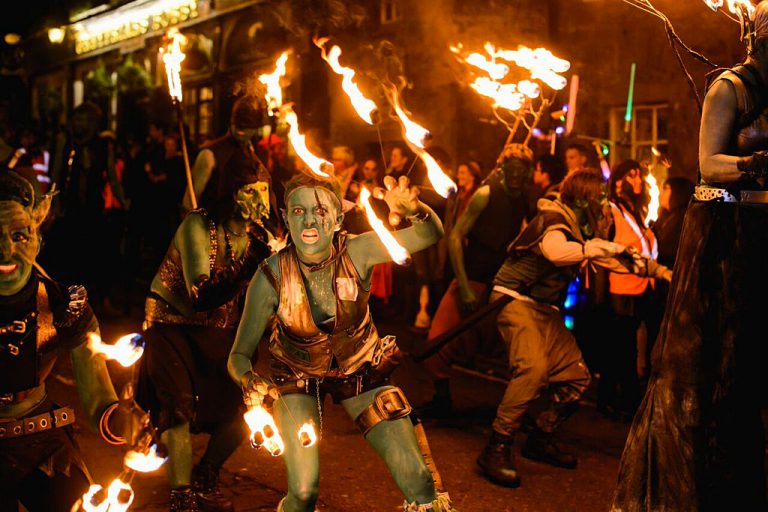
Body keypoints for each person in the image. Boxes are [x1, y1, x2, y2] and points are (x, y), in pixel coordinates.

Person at [613, 5, 768, 509]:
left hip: (762, 236)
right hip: (725, 238)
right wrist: (756, 163)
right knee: (712, 368)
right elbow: (710, 165)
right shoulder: (731, 88)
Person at [228, 172, 456, 512]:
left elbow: (431, 233)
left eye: (320, 211)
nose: (309, 220)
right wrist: (250, 380)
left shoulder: (358, 250)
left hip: (361, 368)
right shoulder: (270, 275)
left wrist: (414, 209)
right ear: (285, 218)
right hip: (296, 376)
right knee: (304, 492)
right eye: (299, 211)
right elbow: (239, 356)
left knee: (419, 480)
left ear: (337, 219)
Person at [478, 169, 671, 488]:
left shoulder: (582, 229)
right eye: (599, 196)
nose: (605, 203)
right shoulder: (553, 218)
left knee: (576, 376)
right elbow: (556, 252)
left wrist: (661, 272)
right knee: (534, 370)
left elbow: (612, 260)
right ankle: (496, 447)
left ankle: (541, 437)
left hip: (544, 309)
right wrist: (594, 249)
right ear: (583, 197)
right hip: (515, 300)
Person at [136, 157, 272, 511]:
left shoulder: (261, 238)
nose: (259, 199)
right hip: (172, 326)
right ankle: (181, 494)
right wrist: (251, 261)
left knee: (247, 405)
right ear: (231, 194)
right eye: (249, 190)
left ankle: (207, 471)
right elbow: (202, 296)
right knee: (176, 406)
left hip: (221, 330)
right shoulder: (198, 226)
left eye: (264, 190)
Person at [0, 171, 129, 510]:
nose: (5, 251)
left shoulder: (62, 305)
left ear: (38, 240)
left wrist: (116, 415)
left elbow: (95, 380)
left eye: (18, 235)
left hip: (40, 439)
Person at [418, 145, 535, 416]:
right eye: (512, 168)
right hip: (471, 278)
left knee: (511, 349)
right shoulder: (485, 193)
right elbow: (456, 237)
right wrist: (465, 286)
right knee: (438, 342)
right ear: (503, 168)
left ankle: (516, 410)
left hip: (502, 285)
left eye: (522, 169)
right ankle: (442, 398)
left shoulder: (525, 197)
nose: (517, 174)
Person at [597, 160, 661, 420]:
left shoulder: (638, 210)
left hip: (641, 288)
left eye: (639, 176)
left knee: (628, 346)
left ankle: (618, 397)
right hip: (620, 290)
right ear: (619, 180)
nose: (637, 181)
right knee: (620, 346)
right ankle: (622, 400)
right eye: (630, 176)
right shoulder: (611, 210)